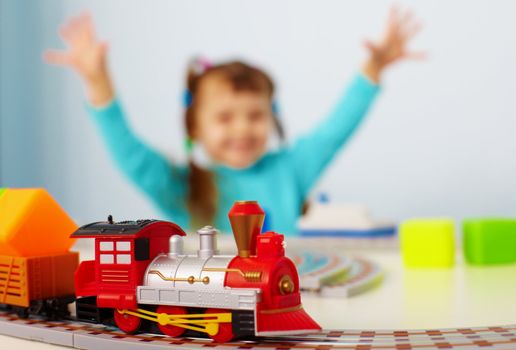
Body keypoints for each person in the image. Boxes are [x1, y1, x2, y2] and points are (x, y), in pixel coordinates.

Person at [44, 7, 424, 234]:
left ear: (272, 120)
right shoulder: (188, 186)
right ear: (196, 127)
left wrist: (372, 68)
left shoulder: (290, 169)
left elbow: (335, 130)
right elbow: (131, 156)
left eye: (256, 115)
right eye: (225, 117)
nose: (242, 128)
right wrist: (98, 82)